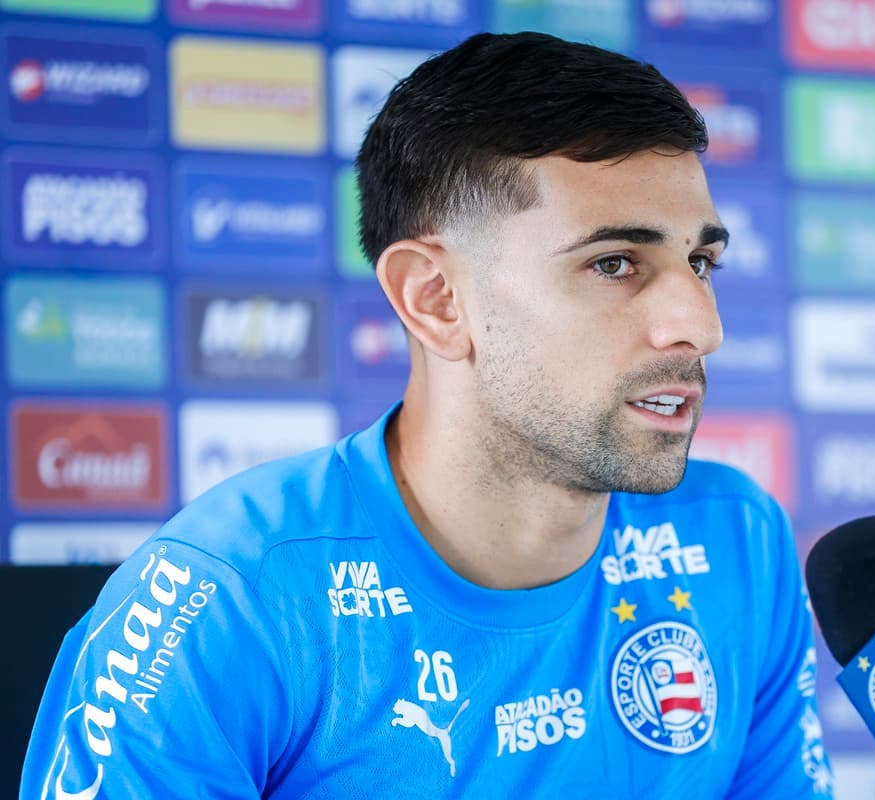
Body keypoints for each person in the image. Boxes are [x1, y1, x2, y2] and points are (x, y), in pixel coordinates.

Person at [21, 31, 834, 799]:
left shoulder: (736, 539)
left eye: (700, 262)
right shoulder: (230, 595)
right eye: (615, 263)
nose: (701, 325)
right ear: (436, 299)